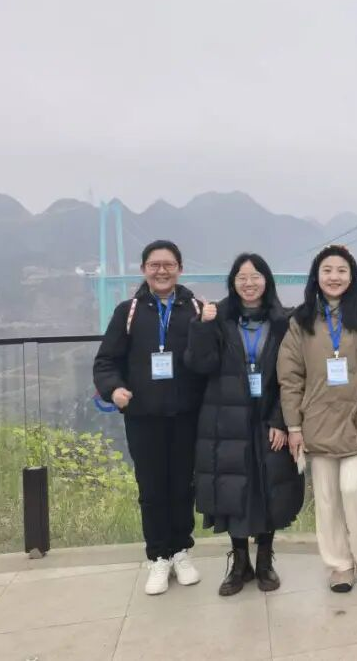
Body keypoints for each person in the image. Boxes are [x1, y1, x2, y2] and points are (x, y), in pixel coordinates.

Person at [277, 244, 357, 593]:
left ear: (352, 277)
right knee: (327, 498)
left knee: (354, 488)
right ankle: (340, 565)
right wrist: (293, 426)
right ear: (316, 277)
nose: (334, 277)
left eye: (342, 270)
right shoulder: (300, 321)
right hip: (317, 419)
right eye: (327, 270)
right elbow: (290, 377)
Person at [185, 253, 305, 596]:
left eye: (255, 277)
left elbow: (294, 375)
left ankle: (265, 562)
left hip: (269, 419)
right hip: (225, 418)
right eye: (242, 277)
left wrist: (281, 420)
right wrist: (202, 326)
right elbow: (200, 365)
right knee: (231, 489)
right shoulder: (218, 317)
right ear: (232, 282)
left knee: (269, 489)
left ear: (267, 281)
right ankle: (240, 565)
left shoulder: (285, 321)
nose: (249, 283)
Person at [92, 239, 205, 595]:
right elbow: (106, 361)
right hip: (143, 417)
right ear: (143, 270)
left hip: (186, 416)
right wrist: (114, 389)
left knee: (183, 486)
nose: (161, 271)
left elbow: (211, 358)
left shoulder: (197, 310)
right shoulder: (128, 311)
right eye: (154, 265)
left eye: (168, 264)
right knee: (152, 489)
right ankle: (158, 556)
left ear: (180, 269)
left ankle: (181, 551)